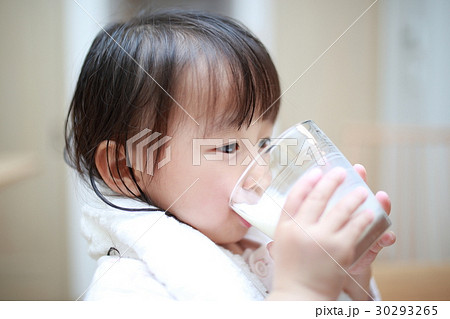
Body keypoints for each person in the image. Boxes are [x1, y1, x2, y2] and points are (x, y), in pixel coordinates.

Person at [65, 9, 395, 301]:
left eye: (264, 144)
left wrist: (350, 282)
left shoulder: (265, 246)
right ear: (124, 167)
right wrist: (300, 292)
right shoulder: (127, 288)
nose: (261, 174)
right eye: (227, 147)